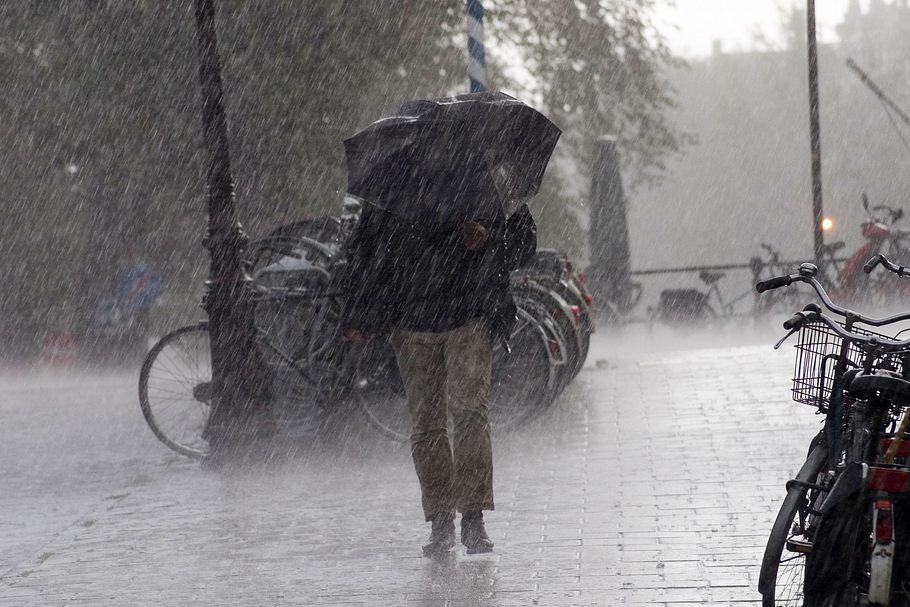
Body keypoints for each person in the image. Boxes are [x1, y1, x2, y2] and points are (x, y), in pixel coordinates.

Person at [340, 164, 537, 556]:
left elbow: (523, 243)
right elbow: (365, 252)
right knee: (428, 423)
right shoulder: (392, 186)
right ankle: (442, 520)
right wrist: (358, 313)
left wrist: (488, 237)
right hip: (412, 322)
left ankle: (473, 518)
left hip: (469, 314)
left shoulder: (485, 180)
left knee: (468, 414)